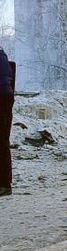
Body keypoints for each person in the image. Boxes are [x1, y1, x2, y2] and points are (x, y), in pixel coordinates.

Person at [0, 47, 14, 196]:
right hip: (5, 96)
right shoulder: (2, 53)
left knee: (1, 141)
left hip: (2, 97)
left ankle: (4, 184)